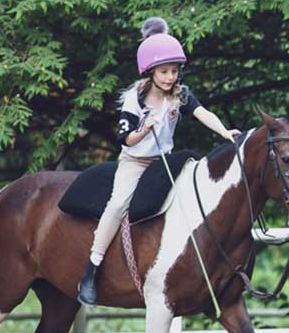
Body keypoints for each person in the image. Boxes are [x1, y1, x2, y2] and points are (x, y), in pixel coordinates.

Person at [78, 17, 241, 306]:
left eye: (174, 71)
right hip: (135, 162)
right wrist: (145, 128)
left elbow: (203, 113)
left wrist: (225, 132)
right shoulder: (135, 100)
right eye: (164, 71)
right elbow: (125, 140)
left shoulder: (181, 95)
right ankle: (92, 267)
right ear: (150, 71)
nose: (170, 77)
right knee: (117, 204)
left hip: (164, 161)